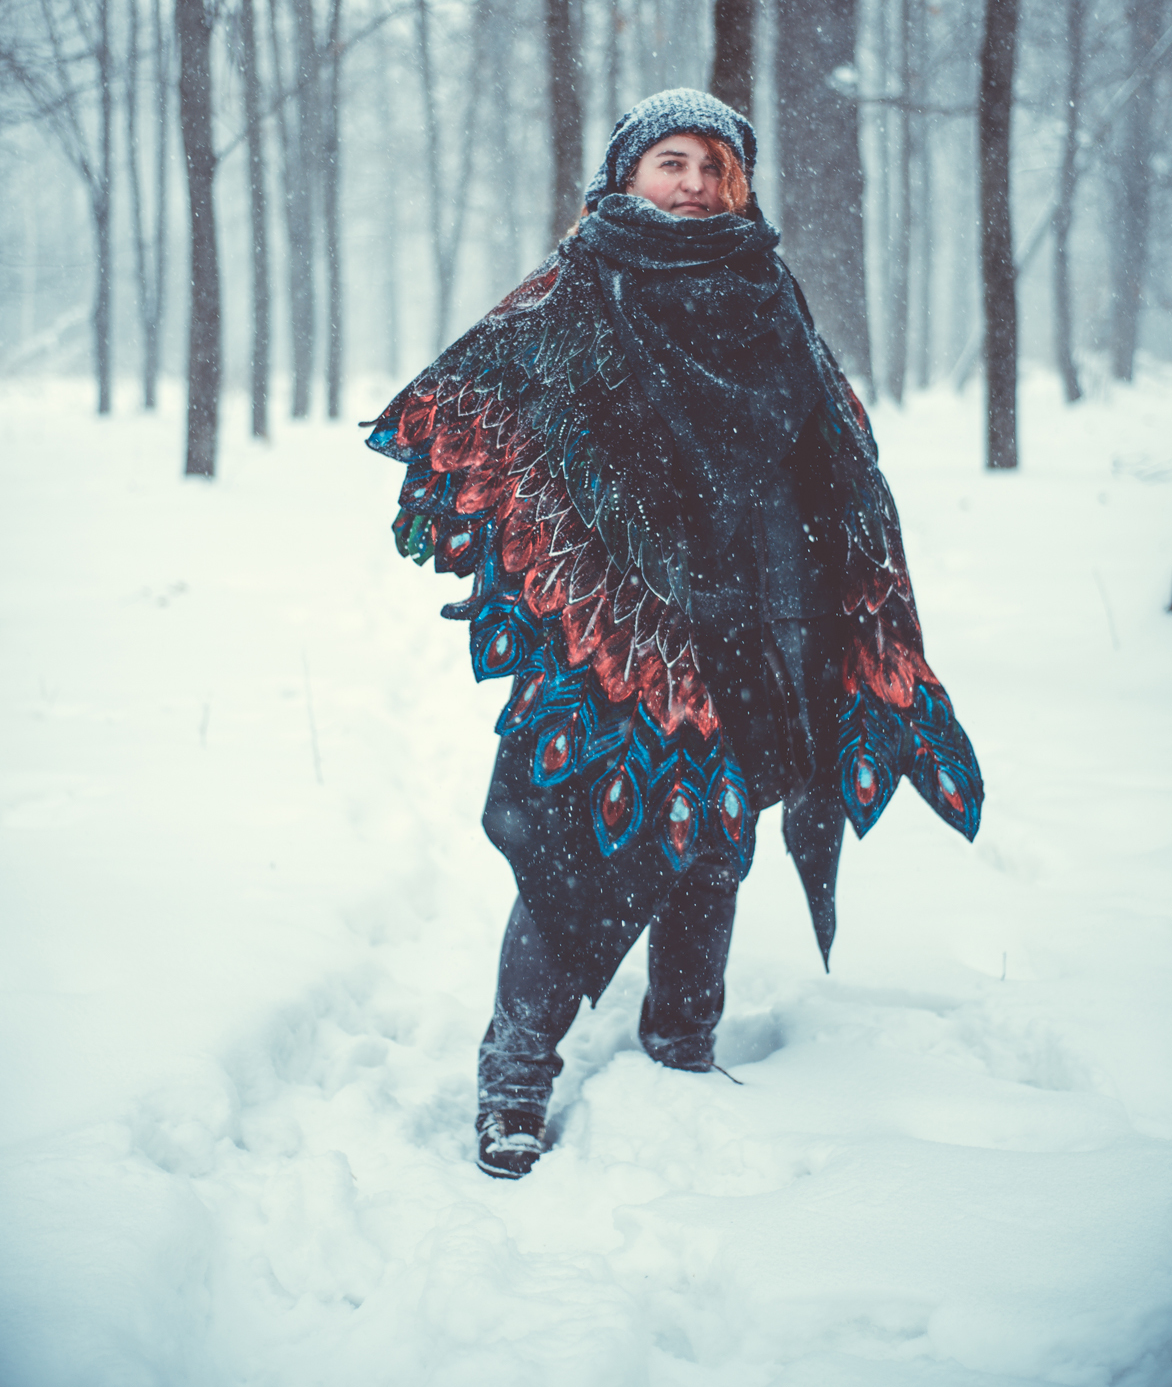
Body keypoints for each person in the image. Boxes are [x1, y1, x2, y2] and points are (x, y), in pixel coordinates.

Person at [364, 88, 982, 1180]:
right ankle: (514, 1074)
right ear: (627, 175)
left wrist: (842, 586)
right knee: (581, 841)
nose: (693, 182)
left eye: (712, 164)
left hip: (763, 605)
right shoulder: (575, 289)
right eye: (671, 162)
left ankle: (680, 1047)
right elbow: (477, 401)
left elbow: (826, 443)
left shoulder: (765, 288)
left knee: (714, 834)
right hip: (623, 620)